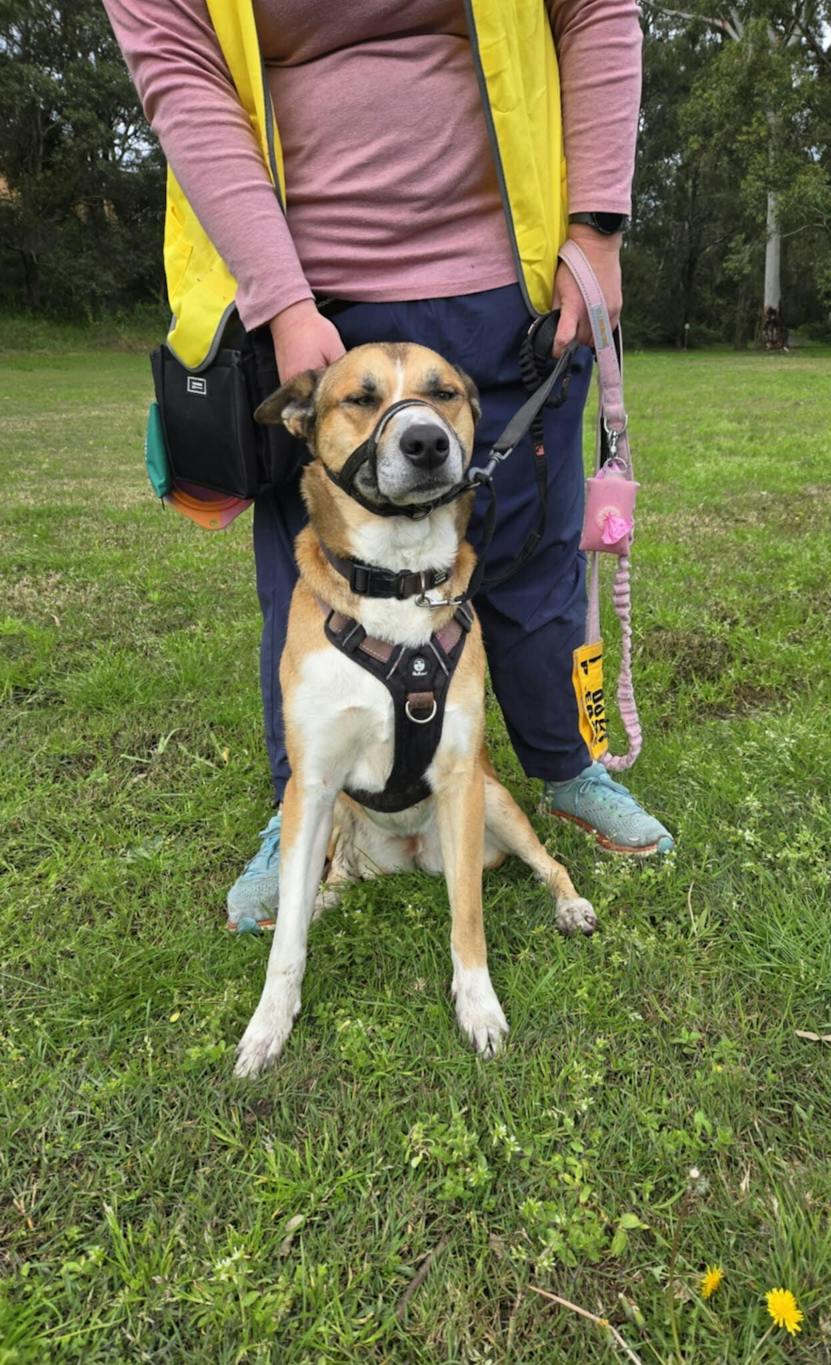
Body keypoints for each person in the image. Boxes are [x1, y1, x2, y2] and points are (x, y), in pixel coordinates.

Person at [103, 0, 674, 928]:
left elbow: (597, 9)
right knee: (317, 579)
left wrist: (598, 229)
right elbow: (182, 76)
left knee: (536, 559)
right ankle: (308, 802)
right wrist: (280, 301)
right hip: (306, 300)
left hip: (506, 281)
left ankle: (568, 765)